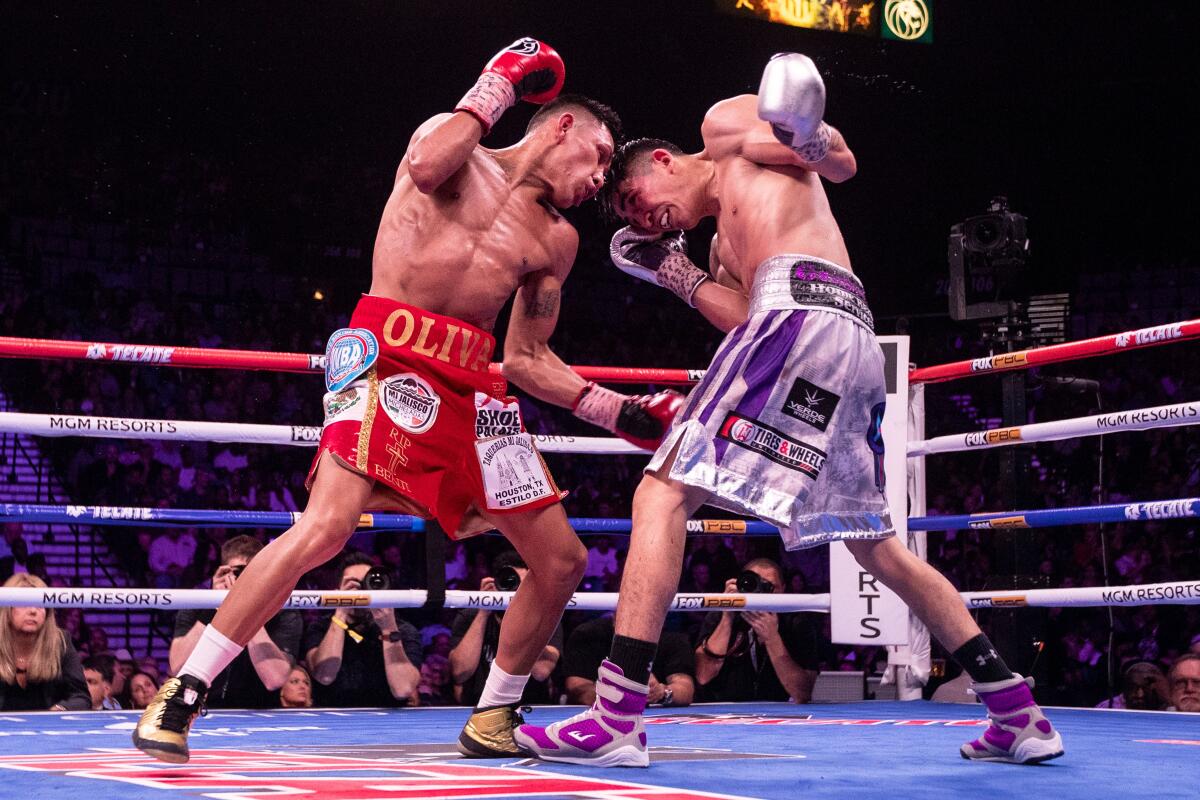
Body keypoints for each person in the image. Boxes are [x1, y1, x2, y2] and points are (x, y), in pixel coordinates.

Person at [133, 36, 675, 764]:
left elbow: (527, 357)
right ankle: (184, 694)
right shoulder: (453, 147)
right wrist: (501, 80)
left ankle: (493, 716)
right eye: (602, 155)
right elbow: (425, 164)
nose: (603, 177)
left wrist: (619, 412)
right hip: (388, 357)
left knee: (561, 560)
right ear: (563, 126)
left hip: (475, 384)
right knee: (326, 528)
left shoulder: (558, 240)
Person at [515, 52, 1063, 766]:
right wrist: (674, 274)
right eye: (630, 220)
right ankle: (1016, 711)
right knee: (876, 544)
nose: (642, 220)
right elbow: (741, 317)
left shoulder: (722, 127)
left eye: (632, 199)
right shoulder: (718, 246)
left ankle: (616, 715)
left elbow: (836, 159)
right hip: (842, 336)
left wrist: (808, 129)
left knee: (661, 492)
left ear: (660, 160)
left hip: (801, 314)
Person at [169, 535, 301, 708]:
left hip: (261, 712)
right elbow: (178, 667)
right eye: (238, 572)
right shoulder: (198, 602)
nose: (244, 580)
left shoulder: (283, 609)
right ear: (223, 572)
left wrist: (248, 610)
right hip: (204, 708)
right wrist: (215, 606)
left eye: (251, 572)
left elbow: (274, 679)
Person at [302, 551, 424, 708]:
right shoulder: (320, 628)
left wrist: (388, 627)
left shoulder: (403, 630)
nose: (361, 591)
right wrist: (341, 610)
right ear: (338, 589)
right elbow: (324, 676)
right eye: (353, 584)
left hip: (388, 723)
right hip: (333, 720)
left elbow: (403, 689)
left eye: (366, 583)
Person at [694, 560, 819, 703]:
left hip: (778, 711)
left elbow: (802, 693)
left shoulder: (797, 623)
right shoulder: (720, 615)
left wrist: (772, 638)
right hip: (722, 710)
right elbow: (703, 676)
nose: (760, 593)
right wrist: (727, 618)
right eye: (752, 585)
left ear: (783, 589)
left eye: (768, 587)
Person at [447, 551, 563, 706]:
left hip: (530, 707)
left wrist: (521, 616)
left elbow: (541, 671)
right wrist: (484, 609)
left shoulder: (546, 618)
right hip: (478, 707)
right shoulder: (470, 616)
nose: (516, 593)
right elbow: (460, 673)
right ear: (495, 584)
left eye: (523, 587)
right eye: (510, 584)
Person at [0, 574, 90, 711]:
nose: (33, 611)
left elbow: (81, 697)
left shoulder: (60, 642)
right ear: (8, 608)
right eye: (24, 603)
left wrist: (60, 710)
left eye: (40, 604)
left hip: (51, 729)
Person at [564, 614, 694, 708]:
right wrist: (620, 693)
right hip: (601, 713)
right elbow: (577, 688)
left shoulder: (673, 639)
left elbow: (685, 689)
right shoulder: (590, 635)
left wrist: (661, 693)